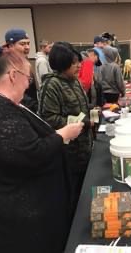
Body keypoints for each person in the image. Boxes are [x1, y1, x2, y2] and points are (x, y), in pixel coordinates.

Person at [0, 50, 84, 253]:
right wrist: (62, 135)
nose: (29, 85)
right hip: (26, 214)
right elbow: (31, 153)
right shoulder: (3, 112)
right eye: (27, 78)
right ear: (13, 76)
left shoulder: (12, 105)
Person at [38, 42, 93, 216]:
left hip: (84, 147)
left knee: (85, 193)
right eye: (74, 62)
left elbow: (82, 108)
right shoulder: (52, 85)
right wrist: (81, 123)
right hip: (68, 154)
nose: (79, 66)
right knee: (72, 198)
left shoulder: (74, 81)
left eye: (78, 61)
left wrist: (89, 117)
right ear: (62, 64)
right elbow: (48, 119)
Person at [5, 28, 38, 112]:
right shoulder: (6, 66)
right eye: (22, 44)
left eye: (28, 43)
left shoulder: (25, 63)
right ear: (10, 46)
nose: (27, 47)